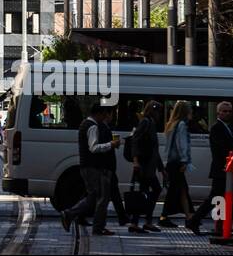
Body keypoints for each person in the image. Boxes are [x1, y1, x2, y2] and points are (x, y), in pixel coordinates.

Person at [60, 102, 120, 236]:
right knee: (101, 197)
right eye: (103, 114)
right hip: (92, 167)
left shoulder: (84, 123)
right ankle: (90, 223)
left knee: (94, 196)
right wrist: (111, 144)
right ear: (98, 114)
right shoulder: (92, 127)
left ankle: (72, 215)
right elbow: (93, 148)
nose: (104, 118)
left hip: (87, 166)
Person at [186, 100, 233, 234]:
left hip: (227, 170)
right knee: (217, 199)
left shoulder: (227, 127)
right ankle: (194, 221)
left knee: (225, 199)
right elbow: (222, 149)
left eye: (229, 111)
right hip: (222, 170)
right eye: (224, 111)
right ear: (218, 113)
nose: (227, 113)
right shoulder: (217, 128)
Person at [126, 101, 163, 233]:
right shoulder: (146, 122)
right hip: (143, 166)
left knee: (144, 192)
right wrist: (135, 161)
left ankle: (140, 222)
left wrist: (161, 168)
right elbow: (135, 140)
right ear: (153, 111)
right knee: (148, 191)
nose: (160, 114)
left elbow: (154, 148)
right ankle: (142, 222)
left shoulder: (150, 123)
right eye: (158, 111)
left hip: (149, 166)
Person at [158, 100, 194, 227]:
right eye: (190, 108)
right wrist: (184, 160)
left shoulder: (171, 124)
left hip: (170, 162)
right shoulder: (182, 125)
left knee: (182, 189)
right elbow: (182, 144)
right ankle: (164, 216)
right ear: (185, 110)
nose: (192, 110)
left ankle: (189, 216)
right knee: (175, 190)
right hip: (178, 163)